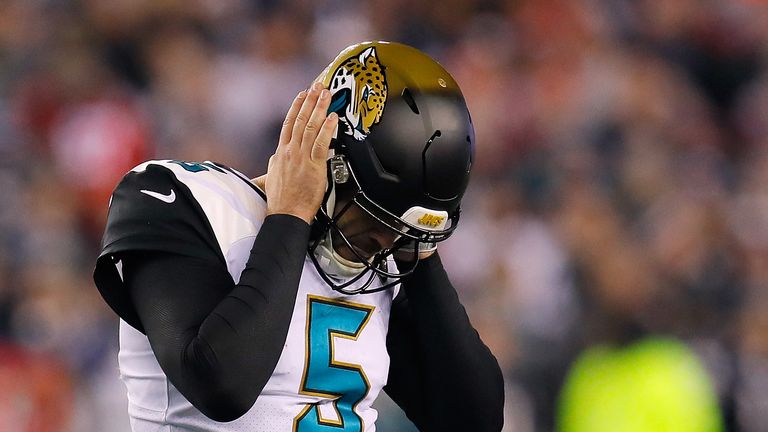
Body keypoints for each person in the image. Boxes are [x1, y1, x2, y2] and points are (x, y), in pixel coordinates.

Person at [93, 41, 504, 432]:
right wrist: (290, 215)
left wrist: (421, 245)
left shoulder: (387, 253)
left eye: (400, 234)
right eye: (375, 223)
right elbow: (221, 386)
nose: (384, 246)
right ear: (326, 156)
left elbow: (473, 421)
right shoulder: (179, 198)